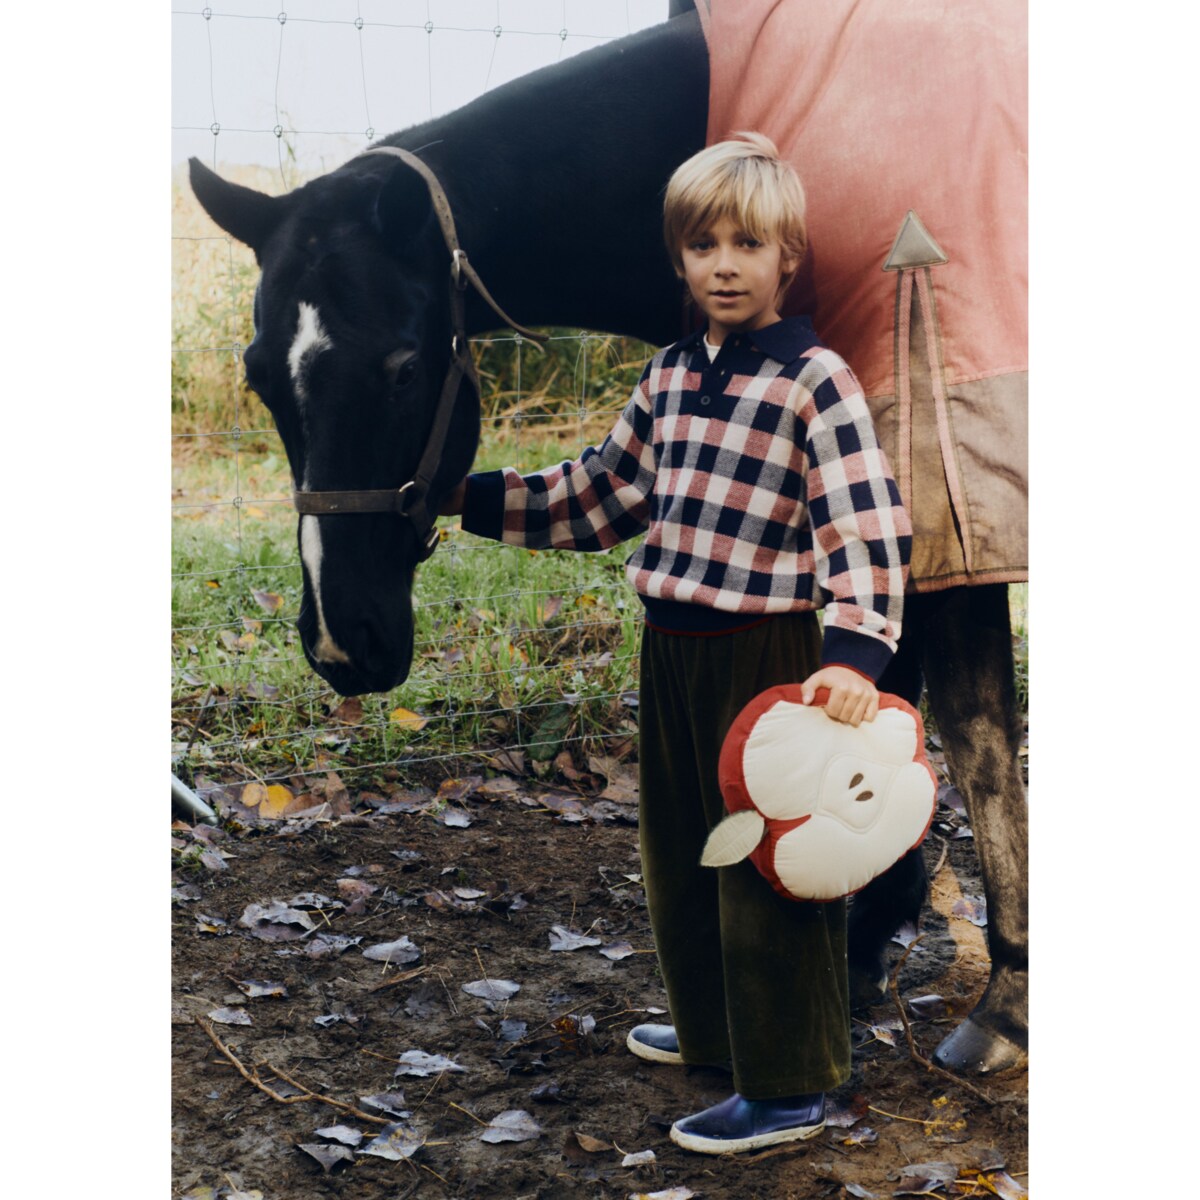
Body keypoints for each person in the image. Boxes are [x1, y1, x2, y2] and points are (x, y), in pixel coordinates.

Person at [440, 132, 911, 1154]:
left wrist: (855, 654)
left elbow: (864, 524)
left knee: (767, 863)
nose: (725, 266)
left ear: (787, 257)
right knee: (684, 851)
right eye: (704, 246)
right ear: (680, 259)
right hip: (673, 648)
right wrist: (462, 497)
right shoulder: (667, 378)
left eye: (748, 244)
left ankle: (791, 1083)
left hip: (768, 657)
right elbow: (598, 497)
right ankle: (717, 1030)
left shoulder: (814, 380)